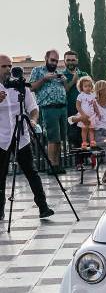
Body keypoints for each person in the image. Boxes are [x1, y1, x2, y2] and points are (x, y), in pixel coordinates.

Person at [0, 54, 54, 219]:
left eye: (10, 66)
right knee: (0, 175)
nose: (8, 69)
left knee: (31, 171)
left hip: (21, 135)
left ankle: (43, 207)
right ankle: (0, 210)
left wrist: (32, 120)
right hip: (1, 138)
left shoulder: (21, 86)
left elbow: (33, 108)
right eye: (4, 66)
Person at [29, 49, 68, 175]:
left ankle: (56, 164)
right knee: (52, 138)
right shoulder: (37, 71)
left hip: (62, 107)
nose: (54, 63)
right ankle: (51, 165)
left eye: (56, 61)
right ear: (46, 58)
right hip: (49, 108)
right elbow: (30, 87)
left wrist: (64, 81)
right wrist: (44, 79)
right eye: (52, 60)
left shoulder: (58, 72)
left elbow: (65, 89)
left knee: (59, 139)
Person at [61, 51, 89, 153]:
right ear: (64, 61)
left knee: (86, 136)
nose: (70, 62)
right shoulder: (61, 76)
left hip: (85, 112)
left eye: (73, 60)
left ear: (77, 61)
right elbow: (62, 93)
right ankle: (79, 163)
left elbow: (91, 90)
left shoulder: (84, 74)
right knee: (73, 138)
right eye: (68, 60)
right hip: (70, 112)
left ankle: (89, 160)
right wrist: (73, 80)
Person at [76, 76, 99, 150]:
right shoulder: (80, 95)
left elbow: (94, 105)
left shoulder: (93, 95)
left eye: (89, 86)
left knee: (91, 129)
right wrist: (82, 114)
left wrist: (97, 112)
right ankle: (84, 142)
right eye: (85, 86)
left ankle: (92, 141)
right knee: (84, 129)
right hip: (83, 115)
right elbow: (78, 106)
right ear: (81, 87)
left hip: (91, 115)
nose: (88, 88)